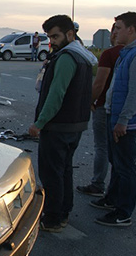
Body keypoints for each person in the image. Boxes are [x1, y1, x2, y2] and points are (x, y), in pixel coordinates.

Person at [28, 14, 97, 232]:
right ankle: (63, 212)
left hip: (58, 127)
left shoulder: (67, 58)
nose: (52, 41)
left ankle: (53, 218)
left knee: (51, 173)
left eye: (56, 36)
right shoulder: (84, 56)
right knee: (64, 170)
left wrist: (39, 123)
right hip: (75, 124)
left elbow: (56, 95)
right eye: (50, 37)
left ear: (70, 34)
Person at [92, 12, 136, 227]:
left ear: (131, 30)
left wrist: (123, 120)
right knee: (116, 161)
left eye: (118, 28)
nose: (114, 32)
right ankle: (112, 199)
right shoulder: (125, 53)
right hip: (116, 116)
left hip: (126, 122)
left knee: (126, 167)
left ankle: (123, 213)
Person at [77, 24, 123, 197]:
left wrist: (89, 101)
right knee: (120, 152)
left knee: (101, 147)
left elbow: (99, 83)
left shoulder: (110, 54)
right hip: (124, 110)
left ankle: (97, 184)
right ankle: (115, 191)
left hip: (104, 105)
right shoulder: (133, 54)